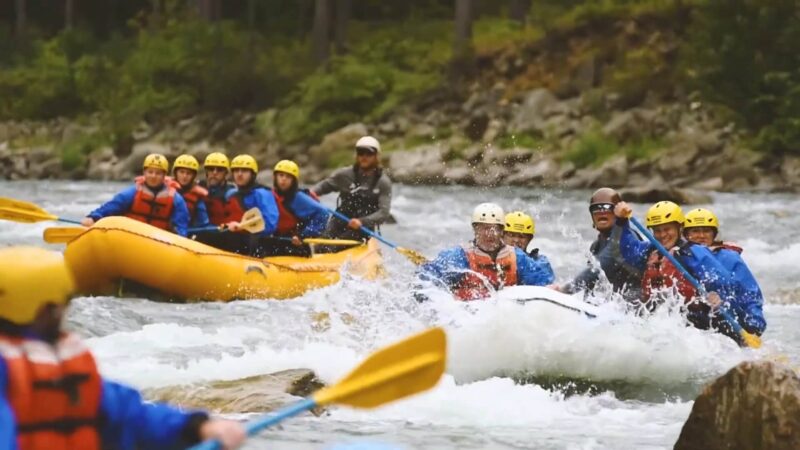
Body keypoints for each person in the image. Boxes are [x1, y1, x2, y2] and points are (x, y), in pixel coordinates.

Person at [0, 246, 246, 450]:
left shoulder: (59, 362)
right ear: (46, 309)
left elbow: (129, 415)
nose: (65, 311)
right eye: (63, 303)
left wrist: (197, 427)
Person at [614, 200, 743, 343]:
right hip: (662, 321)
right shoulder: (651, 250)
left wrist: (719, 298)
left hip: (697, 323)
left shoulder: (695, 252)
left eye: (667, 229)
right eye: (657, 230)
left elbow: (726, 283)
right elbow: (629, 251)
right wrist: (622, 222)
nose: (662, 235)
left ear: (679, 228)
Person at [418, 203, 555, 301]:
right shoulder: (458, 256)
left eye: (494, 228)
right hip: (466, 315)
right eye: (483, 228)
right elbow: (425, 279)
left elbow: (543, 284)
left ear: (502, 231)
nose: (489, 234)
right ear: (475, 229)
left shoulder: (518, 258)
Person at [683, 208, 766, 336]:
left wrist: (754, 324)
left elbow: (749, 293)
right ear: (686, 235)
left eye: (706, 231)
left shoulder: (730, 257)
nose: (701, 236)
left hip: (725, 318)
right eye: (695, 231)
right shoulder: (679, 255)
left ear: (714, 234)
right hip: (692, 319)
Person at [552, 188, 643, 302]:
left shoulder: (627, 239)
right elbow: (590, 284)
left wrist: (564, 290)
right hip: (615, 304)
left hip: (637, 305)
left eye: (607, 207)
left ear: (617, 212)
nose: (601, 212)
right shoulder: (596, 246)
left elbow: (599, 267)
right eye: (596, 208)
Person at [81, 153, 189, 237]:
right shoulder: (132, 193)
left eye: (158, 173)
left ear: (164, 175)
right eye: (150, 172)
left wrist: (180, 237)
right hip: (132, 238)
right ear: (144, 173)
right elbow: (111, 207)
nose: (153, 176)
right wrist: (93, 217)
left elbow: (181, 226)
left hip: (159, 243)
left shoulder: (176, 199)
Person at [311, 136, 392, 241]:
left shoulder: (383, 182)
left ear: (376, 156)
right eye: (361, 153)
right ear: (357, 155)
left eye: (369, 153)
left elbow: (383, 213)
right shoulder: (344, 175)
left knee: (335, 245)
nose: (364, 157)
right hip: (340, 219)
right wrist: (312, 193)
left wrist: (362, 221)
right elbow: (323, 186)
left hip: (363, 227)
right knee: (324, 241)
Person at [264, 160, 330, 256]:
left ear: (293, 180)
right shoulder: (269, 195)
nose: (283, 179)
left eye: (288, 177)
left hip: (295, 241)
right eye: (281, 175)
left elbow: (323, 213)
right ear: (275, 177)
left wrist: (302, 235)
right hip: (275, 239)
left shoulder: (299, 198)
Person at [199, 152, 236, 226]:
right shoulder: (197, 187)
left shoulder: (233, 192)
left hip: (224, 233)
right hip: (200, 232)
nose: (214, 173)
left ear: (226, 173)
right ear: (206, 172)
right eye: (211, 169)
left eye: (219, 170)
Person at [172, 154, 210, 227]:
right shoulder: (165, 188)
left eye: (188, 173)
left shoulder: (198, 197)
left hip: (185, 232)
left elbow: (203, 222)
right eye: (182, 172)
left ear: (194, 176)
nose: (185, 176)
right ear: (175, 173)